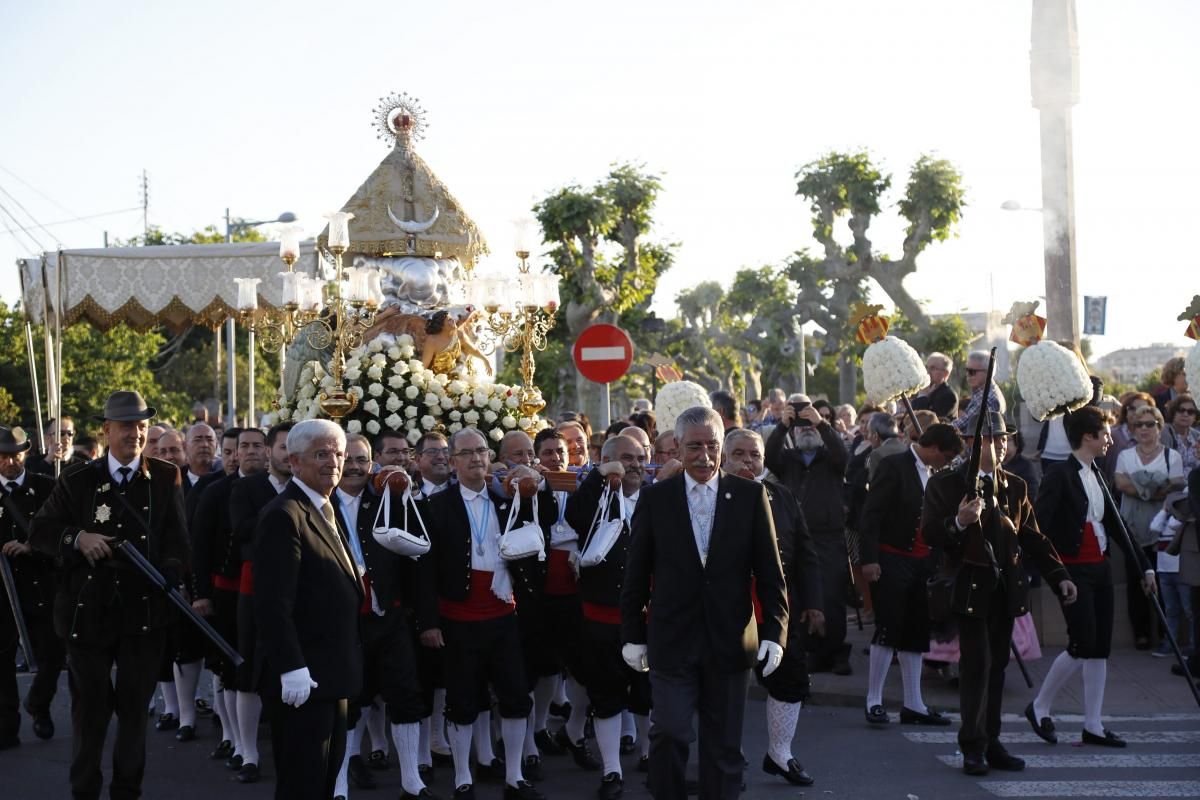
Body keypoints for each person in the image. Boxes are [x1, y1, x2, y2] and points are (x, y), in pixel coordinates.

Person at [621, 406, 787, 800]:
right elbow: (636, 571)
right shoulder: (657, 498)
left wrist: (775, 633)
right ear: (677, 447)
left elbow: (770, 571)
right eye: (694, 446)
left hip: (729, 640)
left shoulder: (750, 495)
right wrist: (632, 633)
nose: (704, 456)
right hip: (672, 638)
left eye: (712, 446)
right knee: (671, 732)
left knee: (724, 746)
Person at [30, 390, 190, 800]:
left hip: (144, 610)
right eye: (125, 426)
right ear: (106, 431)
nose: (135, 434)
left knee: (135, 711)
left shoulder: (166, 475)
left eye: (141, 426)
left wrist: (171, 570)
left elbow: (178, 539)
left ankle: (126, 791)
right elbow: (42, 532)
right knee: (91, 710)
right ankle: (84, 791)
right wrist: (77, 537)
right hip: (89, 609)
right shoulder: (79, 479)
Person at [921, 411, 1077, 776]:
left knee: (997, 669)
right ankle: (972, 745)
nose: (1003, 444)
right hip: (968, 588)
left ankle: (991, 741)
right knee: (977, 667)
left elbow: (1033, 538)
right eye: (994, 438)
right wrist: (958, 522)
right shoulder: (945, 485)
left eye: (1005, 438)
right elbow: (930, 534)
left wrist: (1059, 576)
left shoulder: (1015, 486)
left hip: (1005, 590)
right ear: (975, 443)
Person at [414, 428, 545, 800]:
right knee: (462, 701)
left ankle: (514, 776)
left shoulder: (508, 500)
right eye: (466, 453)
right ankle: (462, 778)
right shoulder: (437, 506)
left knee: (516, 696)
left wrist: (529, 481)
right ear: (452, 461)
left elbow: (537, 537)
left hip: (504, 614)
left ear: (490, 457)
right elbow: (425, 571)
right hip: (458, 618)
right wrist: (429, 623)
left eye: (481, 452)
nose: (475, 459)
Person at [1026, 406, 1156, 749]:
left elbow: (1116, 526)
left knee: (1099, 649)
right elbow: (1039, 526)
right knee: (1081, 643)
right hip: (1072, 570)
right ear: (1089, 436)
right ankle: (1039, 706)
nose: (1110, 439)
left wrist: (1144, 566)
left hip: (1098, 567)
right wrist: (1055, 573)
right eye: (1106, 433)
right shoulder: (1059, 475)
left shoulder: (1097, 473)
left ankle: (1093, 725)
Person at [254, 419, 365, 800]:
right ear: (295, 461)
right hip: (305, 680)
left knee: (323, 781)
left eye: (338, 453)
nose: (333, 462)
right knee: (302, 784)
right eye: (322, 454)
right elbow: (272, 602)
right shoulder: (285, 515)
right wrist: (290, 667)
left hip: (332, 675)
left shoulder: (322, 508)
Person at [331, 435, 430, 800]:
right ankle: (338, 783)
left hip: (389, 615)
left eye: (362, 459)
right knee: (348, 700)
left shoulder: (391, 497)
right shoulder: (321, 504)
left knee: (405, 695)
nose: (355, 467)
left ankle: (411, 782)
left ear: (372, 462)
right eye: (348, 459)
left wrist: (426, 619)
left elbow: (417, 560)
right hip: (344, 622)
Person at [722, 429, 822, 788]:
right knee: (727, 686)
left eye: (755, 454)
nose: (748, 461)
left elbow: (805, 555)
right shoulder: (711, 496)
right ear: (723, 457)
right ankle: (726, 756)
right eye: (739, 454)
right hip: (728, 609)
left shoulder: (783, 496)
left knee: (790, 677)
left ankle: (780, 753)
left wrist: (813, 603)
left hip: (776, 607)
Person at [858, 423, 964, 727]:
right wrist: (869, 559)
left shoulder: (937, 474)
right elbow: (871, 514)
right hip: (891, 557)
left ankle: (914, 703)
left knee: (916, 633)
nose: (947, 463)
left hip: (923, 562)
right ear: (933, 449)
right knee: (888, 628)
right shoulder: (894, 466)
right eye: (946, 456)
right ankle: (874, 700)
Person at [566, 434, 652, 798]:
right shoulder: (596, 497)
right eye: (625, 458)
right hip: (602, 617)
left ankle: (652, 757)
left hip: (649, 618)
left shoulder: (657, 498)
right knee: (607, 695)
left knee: (649, 695)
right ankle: (612, 771)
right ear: (608, 460)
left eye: (639, 458)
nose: (633, 464)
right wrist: (600, 476)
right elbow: (574, 515)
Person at [191, 427, 268, 779]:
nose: (248, 452)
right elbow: (201, 547)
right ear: (232, 452)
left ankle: (246, 740)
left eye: (256, 445)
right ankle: (234, 739)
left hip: (264, 591)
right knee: (228, 668)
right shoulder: (215, 491)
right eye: (242, 447)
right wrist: (201, 593)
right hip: (225, 590)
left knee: (252, 669)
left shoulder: (275, 488)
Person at [224, 422, 293, 784]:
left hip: (298, 589)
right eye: (282, 447)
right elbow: (242, 531)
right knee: (249, 668)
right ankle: (248, 751)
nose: (287, 454)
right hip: (254, 588)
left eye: (294, 447)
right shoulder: (247, 488)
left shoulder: (309, 488)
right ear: (270, 452)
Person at [764, 399, 850, 674]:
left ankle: (836, 651)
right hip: (797, 539)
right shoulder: (789, 459)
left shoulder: (831, 457)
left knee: (832, 596)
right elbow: (769, 456)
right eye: (802, 426)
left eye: (810, 425)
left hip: (829, 538)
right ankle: (810, 649)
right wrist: (782, 426)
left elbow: (842, 455)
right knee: (800, 595)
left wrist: (821, 424)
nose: (807, 430)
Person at [0, 426, 64, 748]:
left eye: (16, 453)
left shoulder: (46, 488)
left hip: (41, 585)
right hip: (2, 590)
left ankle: (39, 704)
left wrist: (31, 546)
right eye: (4, 455)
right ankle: (6, 728)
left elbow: (63, 532)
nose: (11, 460)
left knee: (53, 653)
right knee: (2, 660)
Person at [1113, 405, 1184, 650]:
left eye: (1149, 423)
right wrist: (1154, 489)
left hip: (1163, 528)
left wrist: (1140, 488)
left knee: (1165, 583)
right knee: (1136, 583)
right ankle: (1141, 633)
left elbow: (1175, 487)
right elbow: (1121, 483)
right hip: (1132, 527)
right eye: (1139, 424)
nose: (1144, 429)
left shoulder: (1171, 456)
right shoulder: (1125, 455)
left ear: (1159, 426)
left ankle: (1167, 636)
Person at [952, 351, 1006, 433]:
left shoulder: (987, 398)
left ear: (988, 372)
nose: (968, 375)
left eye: (972, 371)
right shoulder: (983, 393)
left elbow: (961, 425)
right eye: (966, 370)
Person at [911, 352, 959, 420]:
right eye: (926, 367)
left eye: (933, 368)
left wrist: (923, 396)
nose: (927, 371)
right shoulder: (923, 389)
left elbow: (925, 421)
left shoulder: (948, 396)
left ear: (945, 374)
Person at [1162, 394, 1200, 475]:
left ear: (1195, 416)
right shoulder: (1165, 432)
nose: (1185, 414)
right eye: (1181, 410)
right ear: (1173, 412)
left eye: (1190, 412)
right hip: (1174, 483)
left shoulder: (1196, 435)